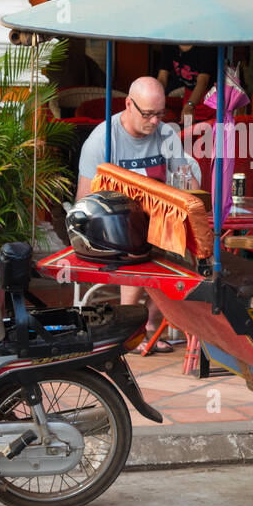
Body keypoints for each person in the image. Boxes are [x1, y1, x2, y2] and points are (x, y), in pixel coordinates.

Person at [77, 76, 200, 352]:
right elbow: (83, 203)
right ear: (128, 104)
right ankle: (129, 326)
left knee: (188, 247)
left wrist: (190, 189)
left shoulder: (165, 134)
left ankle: (151, 323)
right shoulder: (102, 139)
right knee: (136, 241)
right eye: (148, 114)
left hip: (156, 223)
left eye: (160, 114)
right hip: (111, 228)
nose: (155, 122)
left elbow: (189, 184)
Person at [157, 43, 216, 119]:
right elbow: (162, 77)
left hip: (210, 99)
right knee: (188, 128)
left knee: (210, 128)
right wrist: (154, 99)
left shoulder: (205, 46)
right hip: (189, 95)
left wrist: (190, 104)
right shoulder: (169, 43)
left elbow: (203, 81)